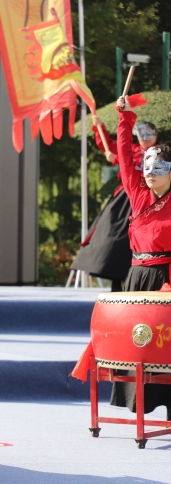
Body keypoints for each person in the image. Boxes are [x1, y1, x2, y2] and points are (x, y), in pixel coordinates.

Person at [110, 95, 171, 419]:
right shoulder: (138, 194)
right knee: (137, 344)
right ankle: (136, 404)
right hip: (136, 279)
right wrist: (125, 118)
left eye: (159, 167)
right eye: (147, 166)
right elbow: (122, 157)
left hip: (167, 278)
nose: (150, 171)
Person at [73, 115, 160, 291]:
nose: (145, 136)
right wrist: (100, 128)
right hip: (125, 198)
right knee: (112, 233)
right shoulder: (131, 149)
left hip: (149, 198)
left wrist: (117, 158)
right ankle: (115, 279)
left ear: (156, 135)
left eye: (149, 133)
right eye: (141, 132)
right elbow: (112, 145)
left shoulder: (160, 153)